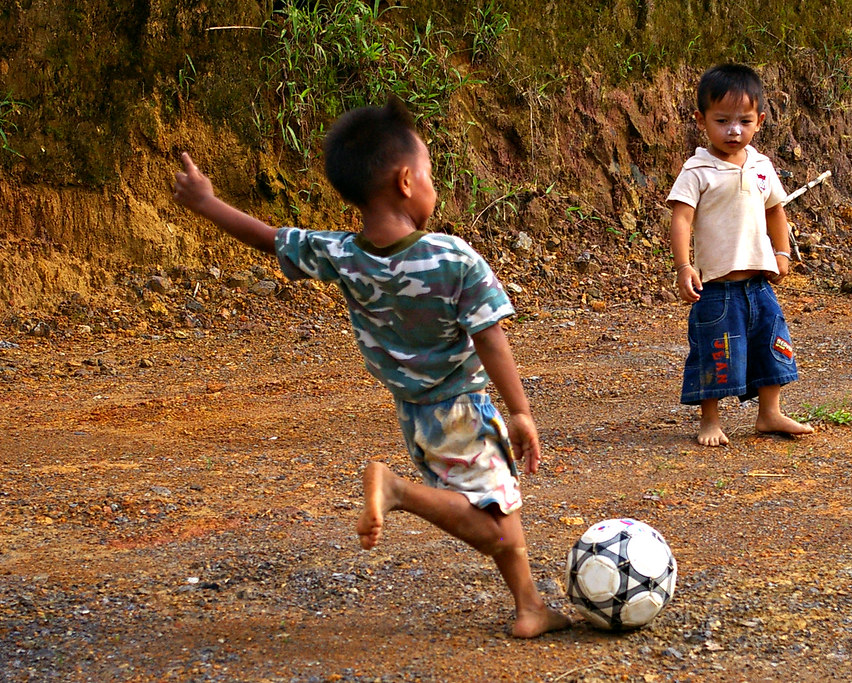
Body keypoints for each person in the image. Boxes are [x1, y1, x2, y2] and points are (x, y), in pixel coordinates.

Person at [171, 98, 571, 638]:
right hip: (460, 409)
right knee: (498, 518)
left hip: (414, 415)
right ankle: (406, 499)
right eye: (429, 173)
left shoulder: (343, 254)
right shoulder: (454, 258)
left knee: (495, 510)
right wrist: (521, 411)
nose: (433, 183)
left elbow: (269, 237)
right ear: (407, 181)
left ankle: (527, 606)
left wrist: (207, 203)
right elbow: (491, 339)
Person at [666, 63, 814, 447]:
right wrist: (684, 266)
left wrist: (781, 252)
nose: (734, 130)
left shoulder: (762, 166)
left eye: (744, 121)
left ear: (760, 120)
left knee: (771, 344)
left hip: (759, 283)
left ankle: (770, 414)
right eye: (722, 121)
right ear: (701, 120)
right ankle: (710, 420)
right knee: (715, 351)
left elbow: (774, 211)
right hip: (715, 287)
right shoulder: (697, 170)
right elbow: (681, 219)